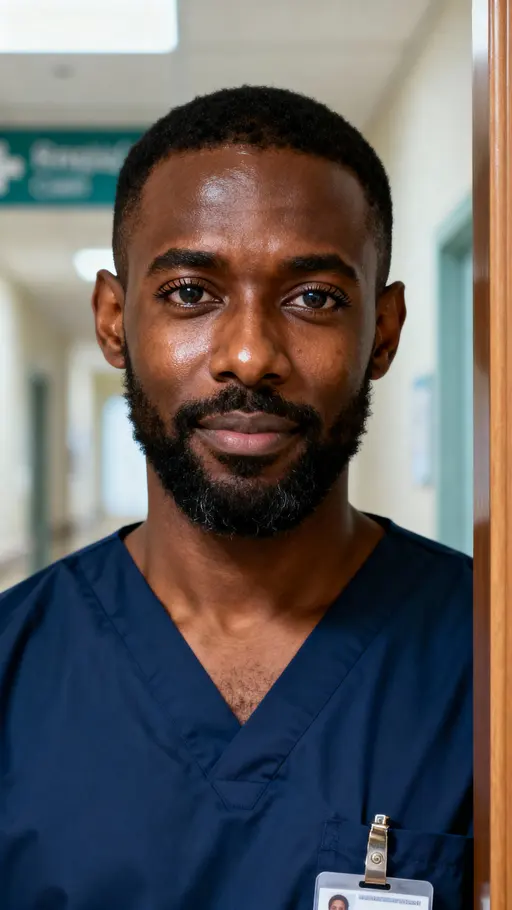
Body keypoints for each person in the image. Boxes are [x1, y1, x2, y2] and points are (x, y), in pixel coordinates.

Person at [0, 86, 472, 910]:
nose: (250, 355)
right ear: (114, 321)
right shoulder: (14, 669)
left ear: (385, 333)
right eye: (191, 292)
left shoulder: (484, 655)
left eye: (314, 298)